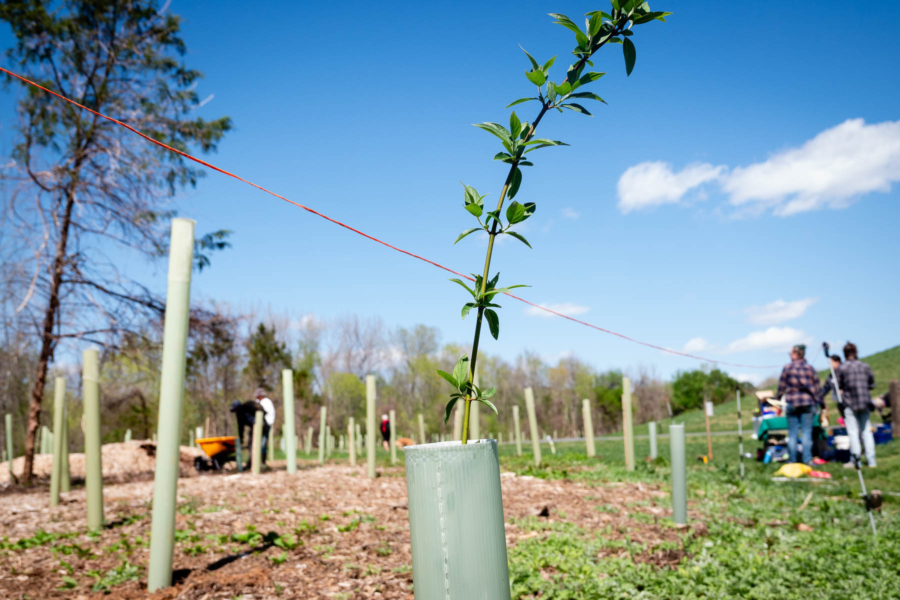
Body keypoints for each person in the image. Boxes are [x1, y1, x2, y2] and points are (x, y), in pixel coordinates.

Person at [777, 344, 821, 465]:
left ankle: (792, 460)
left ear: (796, 354)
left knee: (793, 433)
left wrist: (777, 400)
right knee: (806, 432)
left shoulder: (787, 368)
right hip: (808, 403)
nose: (790, 356)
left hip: (792, 403)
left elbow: (781, 387)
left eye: (790, 353)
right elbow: (817, 388)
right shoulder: (810, 368)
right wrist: (822, 403)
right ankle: (807, 460)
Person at [837, 342, 876, 468]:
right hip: (864, 402)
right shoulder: (865, 366)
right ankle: (871, 461)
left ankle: (856, 461)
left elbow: (837, 386)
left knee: (853, 433)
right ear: (856, 352)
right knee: (866, 432)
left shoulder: (842, 368)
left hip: (850, 403)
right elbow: (872, 384)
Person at [255, 388, 276, 466]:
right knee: (257, 444)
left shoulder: (267, 402)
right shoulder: (257, 402)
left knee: (263, 444)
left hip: (266, 425)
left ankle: (263, 463)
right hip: (258, 426)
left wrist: (268, 423)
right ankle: (257, 462)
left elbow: (270, 414)